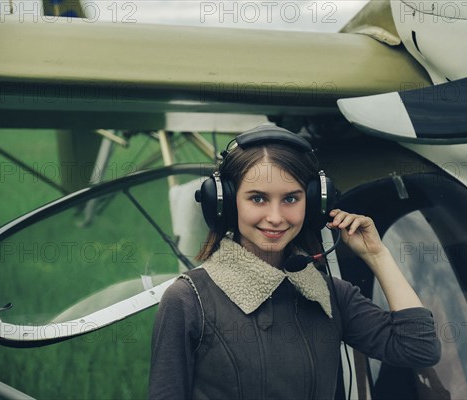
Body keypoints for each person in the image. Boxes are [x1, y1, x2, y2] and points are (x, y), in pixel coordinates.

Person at [149, 125, 440, 399]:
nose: (275, 217)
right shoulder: (189, 300)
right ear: (225, 202)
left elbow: (418, 348)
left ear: (313, 204)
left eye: (291, 199)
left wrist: (378, 255)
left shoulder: (329, 295)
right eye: (258, 199)